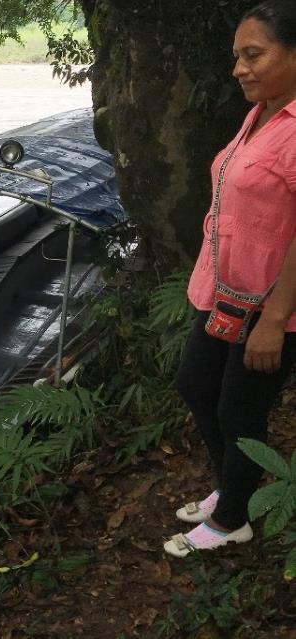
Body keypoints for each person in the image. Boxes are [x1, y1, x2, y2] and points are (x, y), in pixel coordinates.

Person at [165, 0, 296, 557]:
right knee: (196, 385)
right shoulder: (261, 111)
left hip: (270, 306)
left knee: (238, 411)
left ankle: (232, 521)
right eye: (236, 56)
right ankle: (231, 490)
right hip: (222, 295)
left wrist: (275, 319)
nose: (239, 68)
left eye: (253, 54)